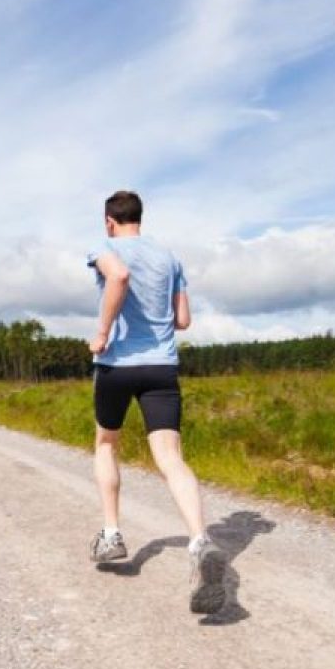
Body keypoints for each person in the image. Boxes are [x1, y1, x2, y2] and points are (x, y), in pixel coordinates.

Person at [85, 190, 227, 614]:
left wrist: (102, 332)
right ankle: (200, 540)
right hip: (162, 367)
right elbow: (183, 320)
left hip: (116, 366)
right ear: (139, 218)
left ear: (110, 221)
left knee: (107, 443)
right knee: (170, 457)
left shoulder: (104, 248)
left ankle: (111, 535)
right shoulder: (170, 258)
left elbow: (119, 277)